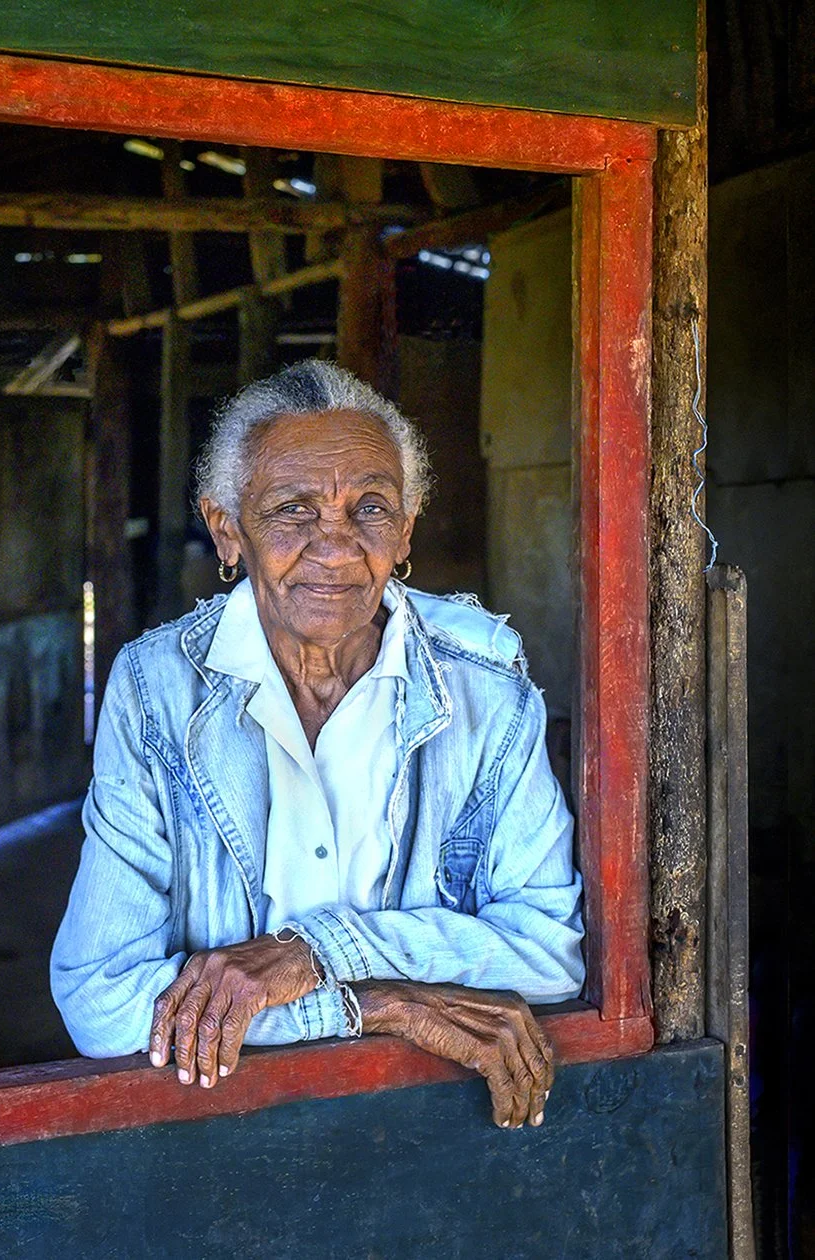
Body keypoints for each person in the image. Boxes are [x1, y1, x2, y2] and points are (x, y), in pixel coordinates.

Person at [51, 360, 583, 1129]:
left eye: (369, 508)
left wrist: (311, 956)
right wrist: (381, 1003)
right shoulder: (155, 689)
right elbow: (100, 1001)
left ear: (404, 532)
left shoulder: (486, 689)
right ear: (226, 529)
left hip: (437, 1119)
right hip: (224, 1125)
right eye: (292, 510)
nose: (334, 547)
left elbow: (545, 953)